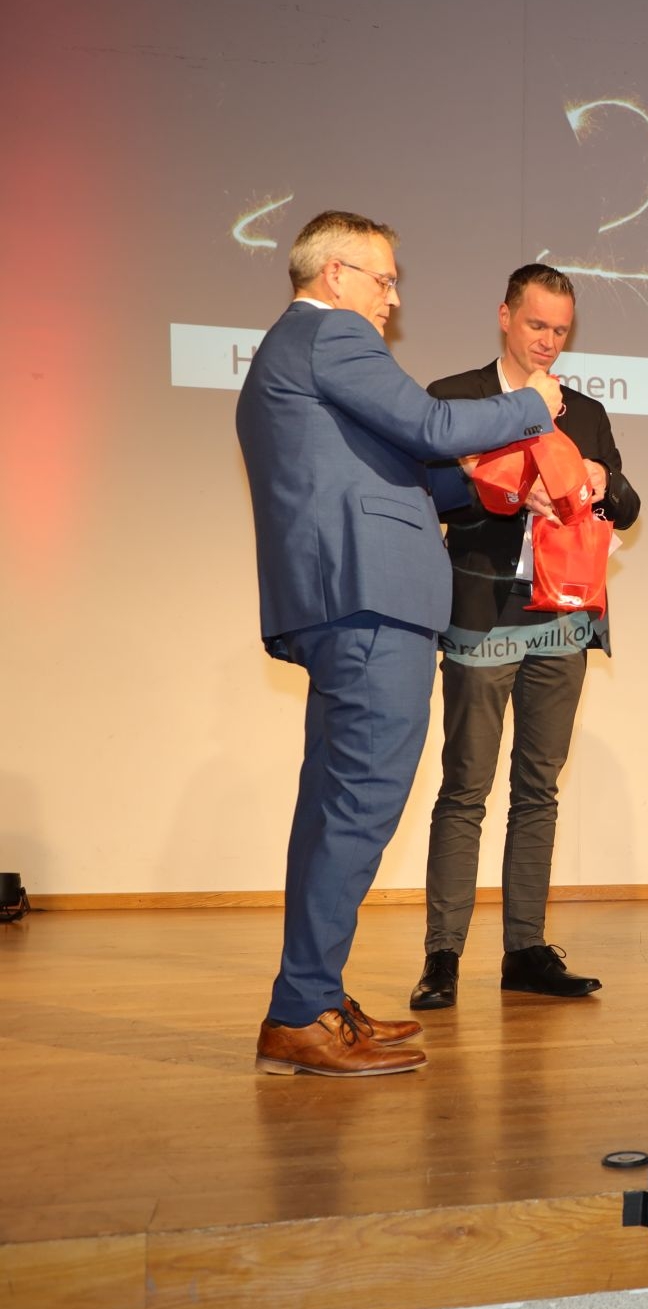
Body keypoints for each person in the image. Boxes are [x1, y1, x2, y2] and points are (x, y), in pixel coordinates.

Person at [238, 210, 561, 1076]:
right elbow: (429, 426)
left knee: (333, 807)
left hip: (348, 600)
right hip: (368, 599)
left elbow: (412, 471)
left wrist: (499, 491)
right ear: (335, 274)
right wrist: (531, 405)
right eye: (383, 279)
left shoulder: (298, 350)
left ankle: (310, 997)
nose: (392, 298)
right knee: (358, 805)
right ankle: (301, 1010)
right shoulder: (330, 334)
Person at [407, 265, 640, 1011]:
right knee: (466, 786)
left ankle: (526, 950)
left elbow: (628, 505)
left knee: (538, 789)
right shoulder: (456, 397)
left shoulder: (585, 411)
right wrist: (503, 487)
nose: (548, 341)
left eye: (560, 330)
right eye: (537, 325)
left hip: (562, 617)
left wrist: (600, 479)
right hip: (483, 608)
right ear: (505, 316)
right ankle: (443, 955)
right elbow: (430, 495)